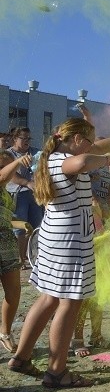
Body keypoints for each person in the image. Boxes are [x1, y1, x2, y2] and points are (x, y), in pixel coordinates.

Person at [7, 119, 110, 386]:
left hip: (55, 239)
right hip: (69, 242)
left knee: (49, 298)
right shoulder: (63, 160)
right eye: (87, 141)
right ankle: (57, 371)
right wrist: (109, 160)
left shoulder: (53, 155)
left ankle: (22, 357)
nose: (92, 145)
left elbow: (93, 149)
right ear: (75, 140)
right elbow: (84, 162)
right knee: (69, 303)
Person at [0, 151, 35, 353]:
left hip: (7, 243)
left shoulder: (5, 191)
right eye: (4, 164)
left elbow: (5, 217)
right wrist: (17, 161)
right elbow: (3, 176)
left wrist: (21, 224)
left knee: (13, 291)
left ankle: (5, 332)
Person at [6, 127, 43, 267]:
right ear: (15, 139)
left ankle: (33, 257)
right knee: (20, 228)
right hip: (18, 194)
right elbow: (11, 175)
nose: (27, 141)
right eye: (24, 138)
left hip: (34, 194)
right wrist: (28, 182)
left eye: (29, 138)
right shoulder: (8, 154)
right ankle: (20, 259)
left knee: (36, 225)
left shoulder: (35, 152)